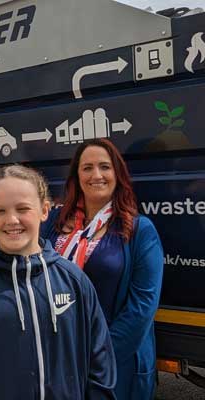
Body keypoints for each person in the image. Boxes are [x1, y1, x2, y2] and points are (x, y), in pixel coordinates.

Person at [0, 165, 116, 400]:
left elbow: (100, 363)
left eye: (23, 208)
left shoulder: (73, 280)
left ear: (44, 210)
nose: (12, 220)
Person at [41, 138, 164, 399]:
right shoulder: (53, 221)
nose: (96, 175)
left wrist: (96, 356)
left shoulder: (140, 230)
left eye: (104, 167)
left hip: (114, 361)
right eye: (87, 168)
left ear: (117, 174)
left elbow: (142, 307)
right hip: (57, 355)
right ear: (76, 175)